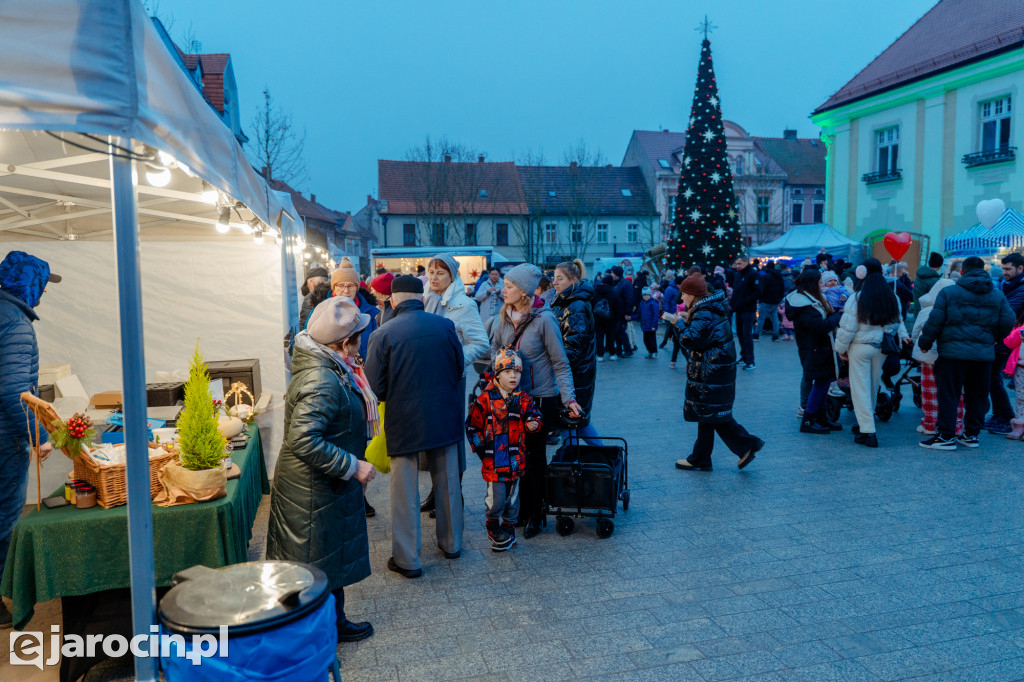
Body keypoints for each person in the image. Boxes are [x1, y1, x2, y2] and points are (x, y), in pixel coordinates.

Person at [266, 297, 378, 642]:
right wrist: (352, 465)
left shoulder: (328, 366)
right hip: (313, 487)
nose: (360, 344)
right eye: (357, 338)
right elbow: (303, 439)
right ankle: (318, 632)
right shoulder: (323, 379)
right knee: (315, 559)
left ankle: (330, 623)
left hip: (319, 484)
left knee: (323, 557)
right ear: (343, 344)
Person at [364, 275, 465, 577]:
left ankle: (408, 560)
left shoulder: (383, 333)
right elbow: (458, 368)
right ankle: (452, 544)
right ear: (421, 299)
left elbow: (374, 387)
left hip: (404, 419)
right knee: (447, 481)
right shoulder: (445, 326)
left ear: (393, 301)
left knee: (405, 491)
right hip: (444, 414)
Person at [487, 263, 581, 538]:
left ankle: (536, 515)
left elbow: (560, 363)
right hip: (511, 399)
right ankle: (521, 510)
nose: (503, 290)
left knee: (534, 457)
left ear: (525, 292)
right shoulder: (503, 316)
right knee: (515, 456)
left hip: (539, 399)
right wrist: (500, 365)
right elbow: (494, 350)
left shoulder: (545, 320)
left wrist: (569, 399)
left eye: (509, 286)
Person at [0, 251, 59, 628]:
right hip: (4, 441)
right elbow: (13, 391)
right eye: (43, 284)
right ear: (29, 283)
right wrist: (39, 437)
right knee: (4, 517)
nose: (45, 292)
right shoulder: (16, 323)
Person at [917, 257, 1015, 450]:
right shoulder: (997, 295)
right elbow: (1008, 320)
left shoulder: (949, 293)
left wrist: (925, 343)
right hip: (983, 355)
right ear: (984, 271)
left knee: (949, 395)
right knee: (977, 396)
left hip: (952, 354)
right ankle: (971, 435)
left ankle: (945, 436)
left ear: (962, 272)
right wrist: (995, 337)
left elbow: (935, 321)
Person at [668, 274, 763, 471]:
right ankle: (701, 458)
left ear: (693, 294)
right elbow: (704, 335)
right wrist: (688, 320)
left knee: (713, 415)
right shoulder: (707, 308)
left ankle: (746, 444)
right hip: (715, 369)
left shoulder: (703, 312)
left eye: (684, 294)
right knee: (708, 414)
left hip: (711, 371)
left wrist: (679, 324)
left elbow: (692, 340)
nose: (682, 298)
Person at [420, 254, 489, 517]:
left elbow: (481, 344)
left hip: (451, 379)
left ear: (452, 276)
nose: (434, 277)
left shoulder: (464, 304)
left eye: (440, 273)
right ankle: (436, 492)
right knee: (433, 436)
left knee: (451, 437)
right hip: (428, 378)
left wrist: (454, 359)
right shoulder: (425, 299)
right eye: (431, 272)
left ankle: (453, 494)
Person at [465, 348, 542, 552]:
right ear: (498, 374)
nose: (513, 376)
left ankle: (508, 530)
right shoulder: (485, 399)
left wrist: (533, 423)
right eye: (507, 371)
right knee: (497, 500)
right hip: (494, 463)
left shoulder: (523, 398)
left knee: (512, 500)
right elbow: (472, 426)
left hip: (516, 461)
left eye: (517, 372)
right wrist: (483, 451)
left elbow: (535, 414)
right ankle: (493, 526)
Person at [834, 258, 910, 448]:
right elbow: (896, 323)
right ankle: (866, 423)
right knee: (873, 385)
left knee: (860, 388)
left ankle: (867, 430)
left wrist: (841, 348)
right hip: (881, 348)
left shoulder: (857, 298)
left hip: (860, 347)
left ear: (862, 273)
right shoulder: (891, 297)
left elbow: (847, 327)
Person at [785, 269, 843, 434]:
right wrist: (837, 316)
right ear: (812, 283)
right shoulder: (803, 304)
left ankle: (821, 417)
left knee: (824, 382)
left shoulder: (813, 298)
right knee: (821, 382)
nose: (821, 284)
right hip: (814, 349)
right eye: (819, 282)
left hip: (821, 347)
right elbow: (819, 326)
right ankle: (808, 420)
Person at [550, 259, 599, 445]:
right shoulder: (565, 301)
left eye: (560, 278)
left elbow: (574, 346)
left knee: (570, 422)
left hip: (575, 376)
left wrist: (553, 362)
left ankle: (575, 458)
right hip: (575, 375)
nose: (555, 282)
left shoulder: (575, 305)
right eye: (554, 278)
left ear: (573, 280)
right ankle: (603, 455)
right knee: (576, 422)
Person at [913, 279, 963, 437]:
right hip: (952, 354)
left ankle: (930, 423)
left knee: (930, 391)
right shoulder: (959, 309)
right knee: (954, 390)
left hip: (928, 355)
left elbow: (916, 333)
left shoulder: (927, 310)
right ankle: (956, 424)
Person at [986, 253, 1024, 434]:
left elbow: (1007, 311)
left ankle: (1006, 416)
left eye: (1008, 269)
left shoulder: (1021, 288)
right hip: (1004, 337)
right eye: (1003, 268)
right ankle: (1000, 414)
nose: (1004, 272)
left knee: (994, 377)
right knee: (992, 377)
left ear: (1020, 268)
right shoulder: (1007, 284)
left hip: (1010, 339)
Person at [331, 268, 379, 360]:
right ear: (334, 288)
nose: (346, 290)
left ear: (357, 288)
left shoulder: (371, 312)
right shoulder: (321, 312)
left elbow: (378, 345)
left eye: (351, 286)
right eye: (341, 285)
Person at [730, 256, 759, 370]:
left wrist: (743, 301)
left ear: (746, 262)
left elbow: (757, 292)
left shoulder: (753, 274)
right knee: (740, 334)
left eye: (740, 263)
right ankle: (744, 357)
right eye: (737, 264)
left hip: (748, 309)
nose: (738, 266)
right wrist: (732, 305)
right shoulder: (738, 274)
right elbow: (735, 292)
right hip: (738, 309)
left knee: (747, 335)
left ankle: (751, 360)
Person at [1002, 310, 1024, 439]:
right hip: (1021, 367)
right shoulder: (1021, 327)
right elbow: (1008, 342)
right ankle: (1020, 426)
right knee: (1021, 397)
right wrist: (1020, 332)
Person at [755, 261, 784, 341]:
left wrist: (760, 299)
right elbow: (782, 289)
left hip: (765, 301)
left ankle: (756, 334)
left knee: (761, 318)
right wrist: (779, 299)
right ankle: (775, 335)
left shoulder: (765, 277)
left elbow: (762, 289)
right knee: (775, 319)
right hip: (775, 301)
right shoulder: (779, 277)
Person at [610, 266, 635, 357]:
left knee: (621, 331)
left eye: (612, 273)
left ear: (617, 274)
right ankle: (619, 350)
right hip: (616, 312)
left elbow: (629, 299)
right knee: (617, 332)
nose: (611, 274)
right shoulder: (616, 283)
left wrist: (628, 313)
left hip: (622, 312)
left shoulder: (625, 284)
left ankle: (628, 350)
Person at [593, 274, 619, 361]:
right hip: (610, 318)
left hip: (598, 318)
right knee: (611, 336)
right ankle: (612, 354)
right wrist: (617, 318)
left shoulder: (596, 290)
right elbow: (617, 306)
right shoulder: (614, 291)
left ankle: (600, 355)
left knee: (599, 336)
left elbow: (592, 303)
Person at [659, 276, 681, 349]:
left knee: (678, 328)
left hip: (678, 312)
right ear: (677, 284)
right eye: (680, 285)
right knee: (668, 328)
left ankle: (678, 343)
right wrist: (666, 312)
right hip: (669, 312)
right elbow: (666, 301)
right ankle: (664, 341)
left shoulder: (680, 289)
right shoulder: (669, 289)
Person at [638, 287, 660, 358]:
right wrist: (631, 317)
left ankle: (654, 352)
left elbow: (656, 315)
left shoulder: (653, 303)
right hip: (645, 325)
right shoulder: (642, 303)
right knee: (646, 340)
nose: (646, 297)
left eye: (647, 295)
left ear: (650, 295)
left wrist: (654, 325)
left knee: (652, 340)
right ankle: (650, 351)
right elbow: (639, 313)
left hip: (651, 326)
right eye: (644, 295)